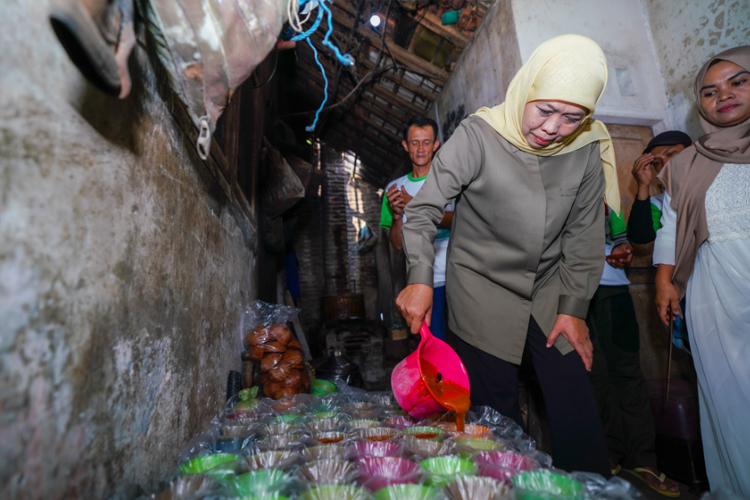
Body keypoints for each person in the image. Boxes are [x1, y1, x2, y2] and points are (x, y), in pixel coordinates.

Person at [395, 34, 620, 475]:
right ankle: (506, 483)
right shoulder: (478, 135)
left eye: (572, 117)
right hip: (481, 288)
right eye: (545, 109)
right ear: (526, 89)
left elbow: (584, 234)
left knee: (574, 398)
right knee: (494, 415)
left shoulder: (588, 148)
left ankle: (590, 486)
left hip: (551, 288)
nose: (554, 128)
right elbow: (422, 212)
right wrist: (420, 277)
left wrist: (574, 308)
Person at [653, 46, 750, 497]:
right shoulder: (686, 163)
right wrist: (663, 280)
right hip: (716, 292)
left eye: (738, 81)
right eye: (710, 91)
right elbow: (670, 226)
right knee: (731, 400)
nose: (723, 95)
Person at [587, 132, 693, 497]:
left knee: (626, 375)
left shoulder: (608, 200)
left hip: (613, 292)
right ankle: (610, 457)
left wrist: (620, 253)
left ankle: (643, 461)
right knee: (593, 377)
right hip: (571, 299)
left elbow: (629, 239)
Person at [380, 117, 454, 341]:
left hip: (460, 277)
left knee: (472, 346)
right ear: (405, 146)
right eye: (414, 142)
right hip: (425, 284)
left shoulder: (451, 181)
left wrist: (414, 204)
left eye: (426, 142)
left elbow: (461, 221)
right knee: (436, 346)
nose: (420, 149)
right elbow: (397, 243)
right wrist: (396, 215)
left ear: (436, 145)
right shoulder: (393, 189)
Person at [628, 131, 692, 245]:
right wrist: (643, 186)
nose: (665, 163)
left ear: (692, 149)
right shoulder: (659, 203)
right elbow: (641, 237)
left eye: (671, 153)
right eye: (657, 162)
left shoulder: (721, 181)